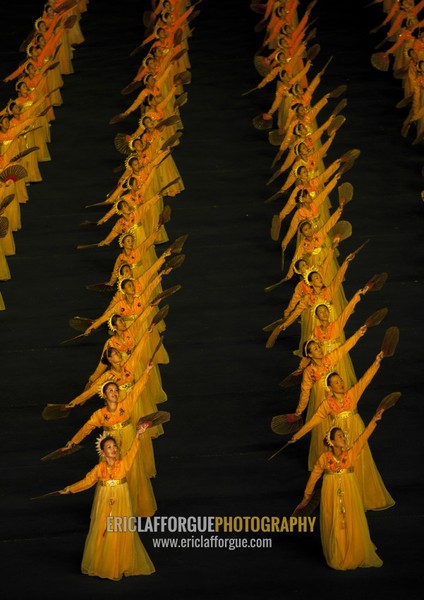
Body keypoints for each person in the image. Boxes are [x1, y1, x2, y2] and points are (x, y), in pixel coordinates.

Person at [288, 347, 395, 510]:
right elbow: (313, 422)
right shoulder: (326, 405)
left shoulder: (352, 394)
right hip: (340, 435)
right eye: (337, 382)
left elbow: (365, 379)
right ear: (330, 387)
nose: (341, 383)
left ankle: (365, 496)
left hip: (356, 429)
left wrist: (377, 361)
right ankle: (346, 499)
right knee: (343, 464)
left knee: (360, 460)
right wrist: (297, 435)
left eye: (341, 380)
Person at [294, 409, 387, 570]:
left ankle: (354, 551)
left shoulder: (350, 454)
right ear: (331, 441)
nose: (343, 438)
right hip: (330, 492)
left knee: (350, 518)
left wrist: (374, 420)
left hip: (349, 491)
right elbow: (314, 476)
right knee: (334, 520)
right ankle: (338, 553)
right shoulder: (324, 458)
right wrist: (307, 495)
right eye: (339, 436)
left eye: (343, 436)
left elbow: (362, 438)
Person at [58, 425, 155, 581]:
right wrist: (70, 489)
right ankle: (103, 562)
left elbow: (132, 452)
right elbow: (87, 482)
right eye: (109, 447)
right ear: (102, 452)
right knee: (104, 528)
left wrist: (138, 435)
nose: (113, 449)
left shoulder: (123, 464)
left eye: (114, 446)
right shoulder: (99, 469)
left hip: (121, 500)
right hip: (104, 501)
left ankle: (123, 563)